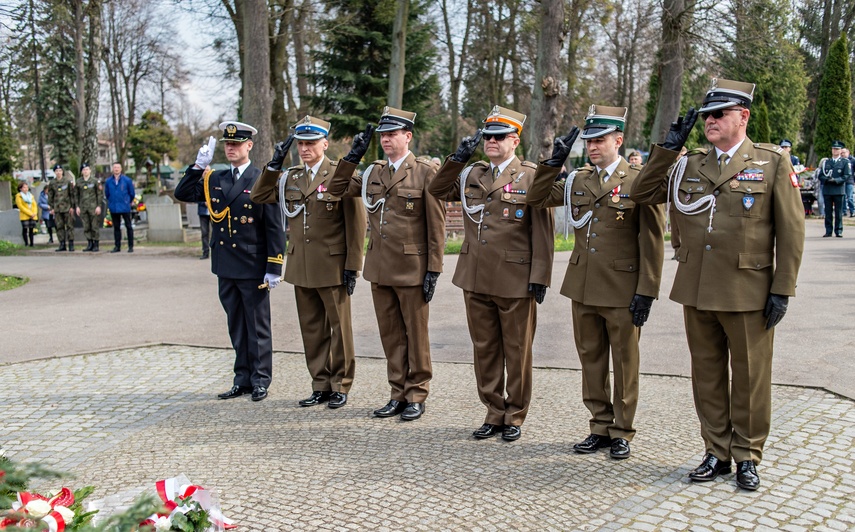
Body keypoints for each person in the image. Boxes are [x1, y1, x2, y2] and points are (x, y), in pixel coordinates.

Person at [630, 78, 805, 490]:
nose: (709, 120)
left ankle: (746, 454)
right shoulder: (688, 163)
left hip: (748, 289)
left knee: (749, 377)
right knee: (706, 376)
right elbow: (640, 193)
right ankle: (716, 451)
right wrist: (667, 148)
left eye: (719, 113)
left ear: (742, 116)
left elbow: (792, 231)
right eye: (706, 115)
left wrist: (782, 288)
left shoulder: (772, 163)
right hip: (698, 288)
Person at [527, 106, 664, 458]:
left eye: (600, 140)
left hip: (622, 288)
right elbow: (536, 198)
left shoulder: (637, 179)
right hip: (583, 285)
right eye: (588, 141)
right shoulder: (578, 180)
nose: (592, 146)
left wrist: (647, 290)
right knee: (591, 359)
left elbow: (652, 240)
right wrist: (553, 162)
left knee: (624, 362)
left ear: (618, 140)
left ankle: (622, 430)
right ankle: (599, 425)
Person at [428, 106, 554, 441]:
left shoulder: (529, 176)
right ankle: (493, 410)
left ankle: (514, 414)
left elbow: (542, 229)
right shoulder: (473, 173)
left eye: (499, 136)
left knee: (517, 350)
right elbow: (437, 190)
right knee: (484, 348)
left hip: (515, 278)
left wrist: (540, 276)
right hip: (475, 276)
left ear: (515, 140)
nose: (491, 141)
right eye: (487, 136)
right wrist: (457, 158)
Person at [327, 107, 445, 421]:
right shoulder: (373, 172)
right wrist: (353, 156)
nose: (386, 139)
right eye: (383, 135)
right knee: (391, 334)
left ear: (408, 136)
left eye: (392, 134)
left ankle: (417, 393)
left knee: (415, 335)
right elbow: (337, 188)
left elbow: (436, 224)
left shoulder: (423, 171)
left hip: (412, 268)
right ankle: (397, 392)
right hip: (380, 267)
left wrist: (434, 268)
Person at [251, 116, 366, 409]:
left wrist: (353, 264)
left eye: (311, 143)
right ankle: (320, 384)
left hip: (332, 265)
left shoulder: (339, 174)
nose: (304, 148)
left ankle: (341, 384)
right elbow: (260, 195)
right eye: (300, 143)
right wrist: (274, 164)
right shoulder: (290, 177)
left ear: (324, 144)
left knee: (340, 329)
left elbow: (355, 222)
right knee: (312, 329)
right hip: (300, 265)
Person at [175, 121, 285, 402]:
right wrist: (198, 168)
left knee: (257, 326)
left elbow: (273, 226)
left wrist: (274, 265)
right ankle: (242, 378)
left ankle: (260, 379)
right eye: (227, 144)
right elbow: (183, 194)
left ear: (249, 146)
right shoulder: (216, 178)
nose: (231, 148)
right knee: (236, 324)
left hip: (252, 263)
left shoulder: (263, 178)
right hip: (225, 264)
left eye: (236, 144)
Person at [817, 140, 851, 237]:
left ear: (841, 151)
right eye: (833, 149)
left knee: (838, 212)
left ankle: (838, 230)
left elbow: (847, 175)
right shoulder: (826, 162)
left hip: (838, 189)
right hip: (828, 189)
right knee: (828, 212)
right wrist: (827, 180)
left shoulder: (844, 162)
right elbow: (821, 175)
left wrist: (836, 180)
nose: (835, 151)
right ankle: (828, 231)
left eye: (837, 149)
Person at [104, 162, 136, 252]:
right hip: (114, 207)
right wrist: (111, 201)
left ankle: (130, 246)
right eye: (115, 167)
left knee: (128, 226)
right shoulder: (108, 181)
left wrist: (127, 201)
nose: (116, 169)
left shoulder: (127, 180)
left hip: (125, 206)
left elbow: (132, 193)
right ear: (112, 169)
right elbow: (107, 194)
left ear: (121, 169)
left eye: (118, 167)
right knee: (116, 227)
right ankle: (117, 246)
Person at [74, 162, 103, 252]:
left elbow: (99, 194)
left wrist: (99, 206)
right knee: (86, 226)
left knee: (94, 226)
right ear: (82, 172)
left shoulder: (95, 181)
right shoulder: (79, 182)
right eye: (84, 170)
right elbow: (76, 195)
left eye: (87, 169)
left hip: (93, 207)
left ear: (90, 170)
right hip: (83, 207)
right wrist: (77, 206)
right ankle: (89, 243)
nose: (85, 171)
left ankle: (96, 244)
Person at [46, 164, 76, 252]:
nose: (58, 173)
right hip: (57, 208)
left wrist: (72, 206)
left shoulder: (67, 181)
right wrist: (51, 207)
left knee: (69, 226)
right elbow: (50, 196)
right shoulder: (52, 183)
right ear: (54, 172)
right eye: (56, 171)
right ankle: (62, 244)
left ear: (62, 172)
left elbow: (72, 195)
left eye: (60, 171)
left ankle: (71, 244)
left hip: (67, 207)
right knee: (59, 226)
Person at [15, 182, 38, 247]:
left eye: (27, 187)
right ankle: (26, 243)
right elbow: (21, 207)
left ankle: (32, 243)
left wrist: (34, 213)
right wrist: (30, 213)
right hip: (25, 215)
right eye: (24, 187)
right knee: (25, 229)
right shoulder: (19, 196)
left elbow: (34, 205)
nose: (26, 189)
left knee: (31, 229)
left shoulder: (30, 195)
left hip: (32, 215)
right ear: (20, 188)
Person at [840, 147, 855, 218]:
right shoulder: (840, 160)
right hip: (842, 181)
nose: (842, 154)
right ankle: (844, 211)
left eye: (844, 152)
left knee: (850, 197)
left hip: (850, 181)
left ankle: (852, 211)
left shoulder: (852, 160)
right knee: (842, 197)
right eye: (841, 153)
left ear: (848, 152)